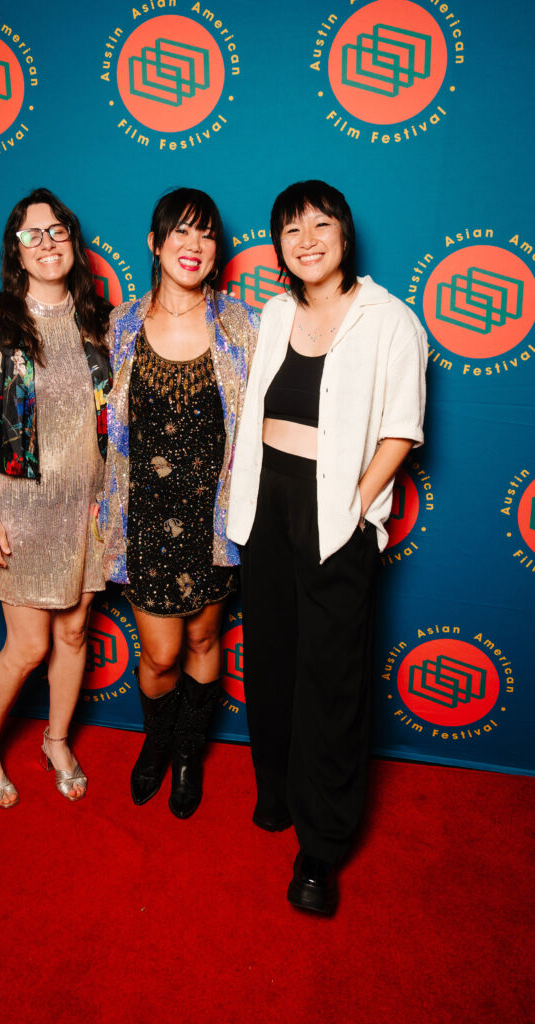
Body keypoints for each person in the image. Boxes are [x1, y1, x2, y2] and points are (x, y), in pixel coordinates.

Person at [228, 180, 427, 912]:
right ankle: (276, 792)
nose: (304, 238)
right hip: (266, 505)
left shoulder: (389, 321)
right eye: (289, 228)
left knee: (331, 679)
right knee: (272, 660)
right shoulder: (275, 312)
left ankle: (321, 846)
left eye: (319, 223)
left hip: (334, 512)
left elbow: (400, 429)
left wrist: (349, 508)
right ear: (278, 244)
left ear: (343, 234)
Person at [102, 188, 259, 818]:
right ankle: (157, 742)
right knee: (160, 652)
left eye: (207, 235)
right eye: (181, 232)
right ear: (155, 242)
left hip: (213, 519)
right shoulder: (121, 325)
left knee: (202, 640)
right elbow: (94, 428)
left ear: (217, 250)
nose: (194, 246)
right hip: (141, 518)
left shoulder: (240, 326)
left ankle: (190, 753)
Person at [0, 187, 111, 808]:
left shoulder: (100, 319)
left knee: (74, 635)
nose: (48, 243)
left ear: (73, 241)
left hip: (91, 507)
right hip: (21, 504)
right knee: (29, 645)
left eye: (58, 231)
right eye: (32, 234)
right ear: (15, 251)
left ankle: (56, 738)